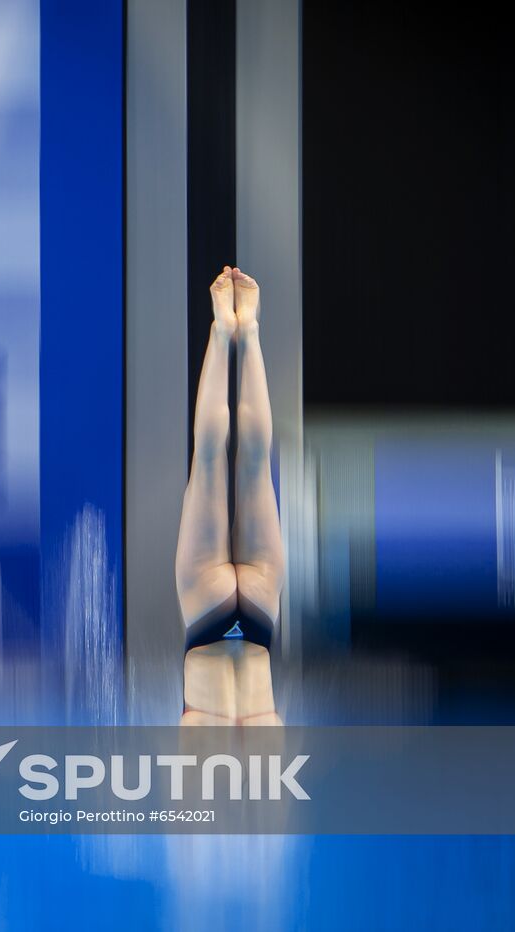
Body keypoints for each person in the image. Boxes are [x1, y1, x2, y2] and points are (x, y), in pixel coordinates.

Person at [174, 266, 284, 725]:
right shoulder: (203, 744)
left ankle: (247, 328)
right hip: (207, 611)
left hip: (258, 615)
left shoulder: (265, 743)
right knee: (208, 460)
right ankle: (226, 330)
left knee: (255, 464)